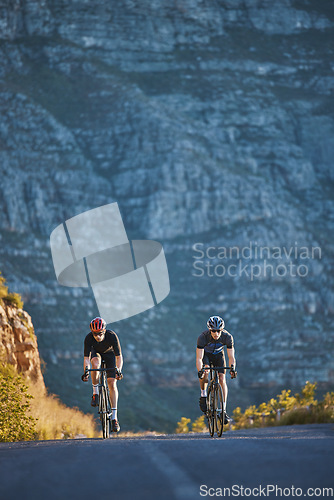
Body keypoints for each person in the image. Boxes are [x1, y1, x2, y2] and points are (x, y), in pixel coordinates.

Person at [81, 316, 123, 433]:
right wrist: (86, 371)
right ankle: (95, 393)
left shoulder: (112, 336)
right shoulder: (89, 338)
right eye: (94, 334)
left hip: (110, 356)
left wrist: (118, 370)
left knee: (112, 383)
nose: (97, 336)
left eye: (99, 333)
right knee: (95, 364)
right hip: (96, 354)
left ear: (104, 331)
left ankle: (114, 417)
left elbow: (119, 357)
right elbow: (86, 359)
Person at [196, 315, 237, 424]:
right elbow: (199, 358)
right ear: (209, 330)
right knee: (205, 371)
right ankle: (203, 395)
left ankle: (223, 411)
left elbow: (231, 357)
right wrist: (200, 370)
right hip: (206, 355)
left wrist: (232, 369)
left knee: (222, 379)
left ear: (222, 330)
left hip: (219, 355)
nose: (216, 333)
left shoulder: (227, 337)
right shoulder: (202, 337)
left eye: (218, 331)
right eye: (213, 331)